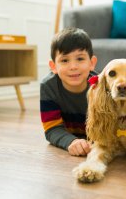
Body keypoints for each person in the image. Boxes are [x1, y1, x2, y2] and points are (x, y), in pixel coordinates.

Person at [40, 28, 97, 156]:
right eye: (65, 60)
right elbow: (52, 128)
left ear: (91, 63)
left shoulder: (100, 86)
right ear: (53, 66)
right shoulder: (48, 86)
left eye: (80, 59)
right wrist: (71, 141)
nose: (73, 67)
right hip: (73, 136)